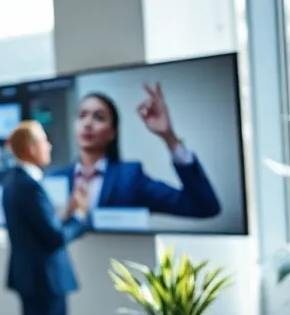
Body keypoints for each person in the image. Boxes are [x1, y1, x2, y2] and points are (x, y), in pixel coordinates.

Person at [50, 88, 221, 219]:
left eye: (99, 117)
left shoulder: (130, 177)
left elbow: (204, 208)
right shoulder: (55, 178)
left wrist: (169, 138)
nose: (87, 123)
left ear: (112, 132)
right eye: (82, 115)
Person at [4, 121, 90, 315]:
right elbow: (54, 237)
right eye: (44, 141)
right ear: (31, 148)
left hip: (31, 278)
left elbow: (38, 224)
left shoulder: (14, 181)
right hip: (45, 280)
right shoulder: (29, 186)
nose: (49, 146)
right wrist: (80, 217)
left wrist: (65, 212)